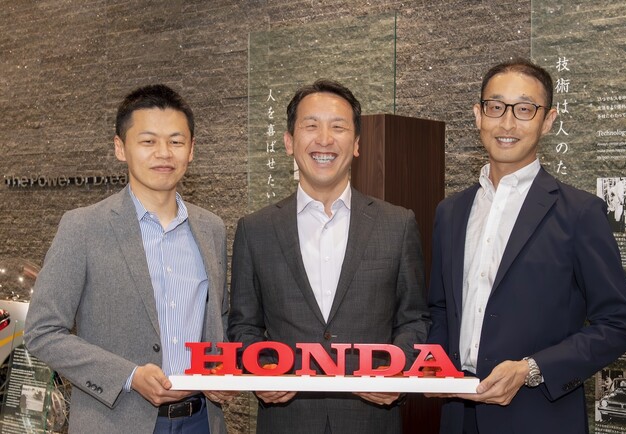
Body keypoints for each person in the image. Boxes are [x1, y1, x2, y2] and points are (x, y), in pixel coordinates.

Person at [426, 59, 626, 434]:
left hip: (539, 415)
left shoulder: (579, 212)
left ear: (548, 120)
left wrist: (531, 369)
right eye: (496, 107)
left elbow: (619, 324)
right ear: (478, 115)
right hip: (458, 414)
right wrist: (432, 368)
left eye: (524, 109)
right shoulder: (451, 211)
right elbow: (441, 309)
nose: (507, 124)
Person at [24, 84, 234, 434]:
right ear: (120, 148)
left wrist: (220, 367)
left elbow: (219, 317)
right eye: (148, 141)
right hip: (115, 421)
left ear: (192, 149)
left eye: (176, 141)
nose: (164, 153)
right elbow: (42, 331)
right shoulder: (83, 227)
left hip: (202, 420)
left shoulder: (211, 228)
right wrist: (129, 375)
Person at [228, 79, 430, 434]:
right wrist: (262, 369)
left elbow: (414, 320)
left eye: (338, 127)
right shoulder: (255, 229)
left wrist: (397, 371)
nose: (324, 139)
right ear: (289, 141)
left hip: (370, 420)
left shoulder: (397, 224)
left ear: (357, 144)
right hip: (286, 421)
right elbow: (243, 326)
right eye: (311, 126)